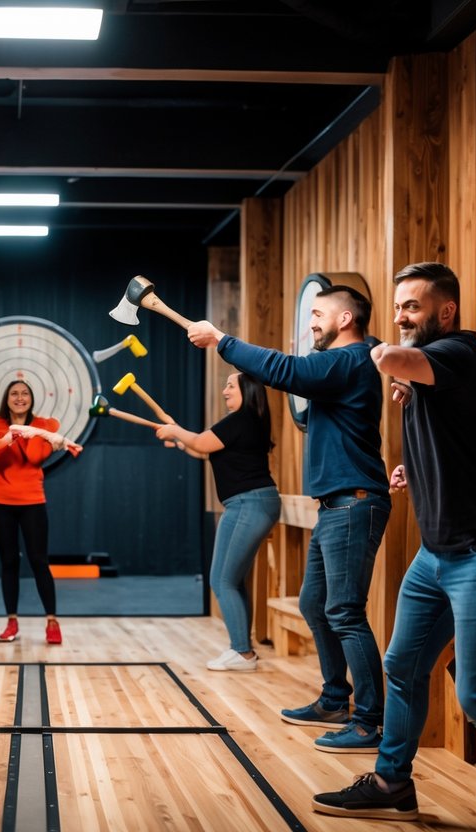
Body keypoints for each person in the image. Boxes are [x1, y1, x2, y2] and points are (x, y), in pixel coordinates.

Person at [312, 262, 476, 831]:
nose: (402, 315)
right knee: (402, 665)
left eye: (412, 306)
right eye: (398, 305)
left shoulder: (460, 353)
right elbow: (454, 437)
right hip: (436, 556)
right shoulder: (433, 372)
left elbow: (388, 359)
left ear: (445, 312)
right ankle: (391, 781)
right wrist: (413, 470)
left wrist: (365, 344)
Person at [187, 285, 391, 753]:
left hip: (353, 503)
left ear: (345, 319)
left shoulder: (349, 359)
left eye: (318, 314)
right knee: (315, 606)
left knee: (344, 611)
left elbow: (285, 371)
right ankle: (335, 700)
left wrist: (221, 339)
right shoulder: (356, 359)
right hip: (335, 505)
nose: (312, 323)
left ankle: (369, 722)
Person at [156, 372, 281, 672]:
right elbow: (204, 450)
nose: (224, 390)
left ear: (247, 391)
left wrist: (176, 432)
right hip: (254, 503)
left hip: (247, 504)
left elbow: (200, 441)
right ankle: (242, 649)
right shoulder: (249, 421)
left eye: (230, 385)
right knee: (233, 579)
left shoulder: (239, 419)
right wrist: (180, 440)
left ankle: (242, 652)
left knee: (221, 580)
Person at [0, 379, 80, 645]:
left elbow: (35, 458)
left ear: (31, 398)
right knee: (9, 562)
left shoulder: (45, 426)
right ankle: (11, 622)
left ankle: (52, 622)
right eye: (14, 393)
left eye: (25, 393)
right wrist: (8, 437)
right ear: (7, 398)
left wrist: (29, 433)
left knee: (39, 561)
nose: (19, 397)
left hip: (31, 501)